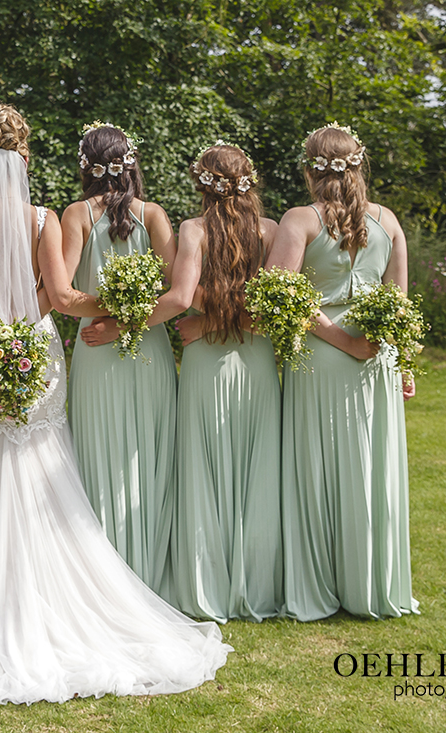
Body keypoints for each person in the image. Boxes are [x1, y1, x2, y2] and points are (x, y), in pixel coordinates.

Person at [0, 103, 230, 705]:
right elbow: (59, 293)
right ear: (25, 156)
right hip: (37, 348)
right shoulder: (45, 216)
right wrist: (38, 320)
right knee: (43, 454)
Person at [268, 122, 418, 621]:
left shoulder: (299, 219)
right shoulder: (388, 220)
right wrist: (398, 359)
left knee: (319, 469)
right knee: (370, 469)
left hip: (323, 353)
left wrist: (341, 340)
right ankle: (370, 583)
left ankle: (321, 585)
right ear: (360, 164)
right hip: (377, 355)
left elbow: (279, 295)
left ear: (310, 169)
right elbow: (397, 301)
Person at [40, 122, 179, 590]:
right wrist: (133, 317)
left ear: (86, 166)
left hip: (96, 344)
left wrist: (112, 318)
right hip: (148, 345)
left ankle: (103, 576)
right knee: (145, 452)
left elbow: (62, 296)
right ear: (131, 163)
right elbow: (178, 291)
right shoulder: (154, 213)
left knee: (100, 455)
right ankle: (145, 573)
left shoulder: (76, 213)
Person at [169, 144, 283, 622]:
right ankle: (256, 586)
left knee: (205, 463)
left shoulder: (193, 230)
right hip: (256, 358)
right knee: (257, 466)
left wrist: (210, 324)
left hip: (206, 358)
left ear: (201, 183)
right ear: (249, 180)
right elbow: (271, 305)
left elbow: (183, 295)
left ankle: (206, 585)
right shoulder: (270, 230)